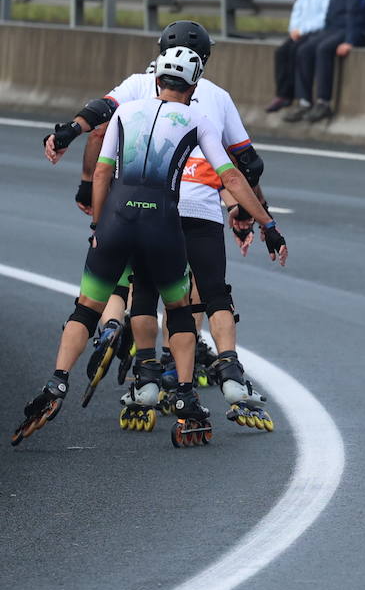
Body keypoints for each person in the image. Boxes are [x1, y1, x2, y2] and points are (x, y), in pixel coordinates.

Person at [14, 46, 285, 447]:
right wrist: (268, 224)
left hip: (119, 222)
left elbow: (103, 171)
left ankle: (57, 383)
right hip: (163, 224)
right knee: (179, 310)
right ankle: (187, 396)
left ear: (156, 78)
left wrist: (98, 224)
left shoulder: (126, 112)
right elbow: (231, 178)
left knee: (88, 305)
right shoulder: (198, 118)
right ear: (194, 85)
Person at [285, 0, 365, 124]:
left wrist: (350, 41)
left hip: (358, 31)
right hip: (336, 28)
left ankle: (323, 102)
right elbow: (332, 14)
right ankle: (304, 102)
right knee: (304, 48)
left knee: (323, 48)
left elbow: (354, 13)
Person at [267, 0, 331, 113]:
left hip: (315, 32)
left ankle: (301, 97)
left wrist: (302, 30)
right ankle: (283, 95)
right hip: (298, 32)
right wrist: (293, 29)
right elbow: (297, 11)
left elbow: (323, 17)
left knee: (299, 52)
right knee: (281, 52)